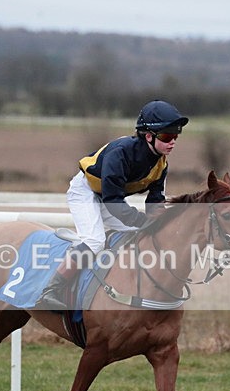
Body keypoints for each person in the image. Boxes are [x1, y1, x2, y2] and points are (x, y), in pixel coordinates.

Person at [35, 99, 189, 310]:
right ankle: (51, 291)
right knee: (94, 241)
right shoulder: (120, 153)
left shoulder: (161, 163)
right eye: (167, 136)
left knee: (141, 235)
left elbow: (155, 203)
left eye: (176, 136)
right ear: (148, 136)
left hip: (110, 198)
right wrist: (141, 220)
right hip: (86, 192)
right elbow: (112, 202)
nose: (172, 142)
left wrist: (160, 224)